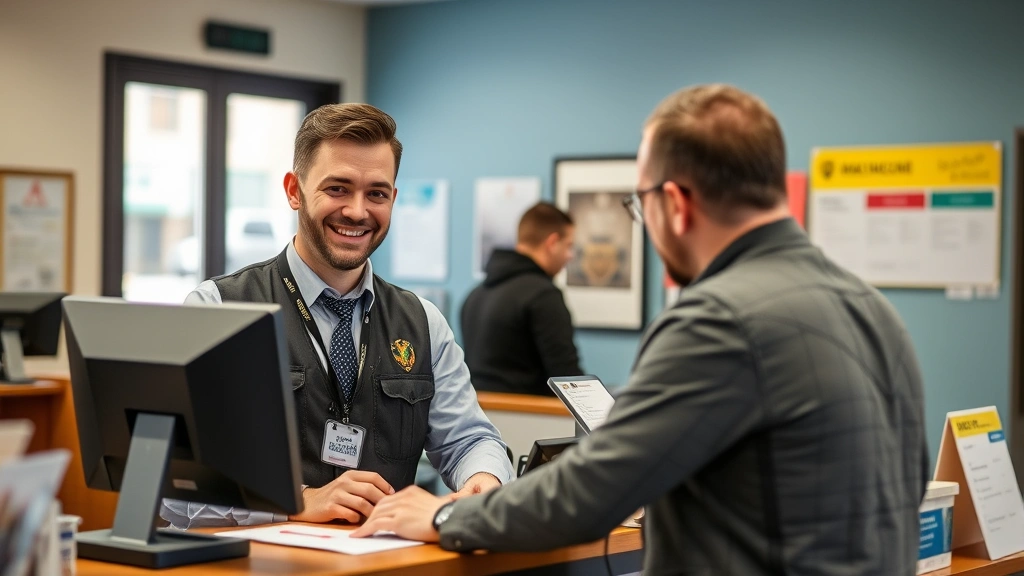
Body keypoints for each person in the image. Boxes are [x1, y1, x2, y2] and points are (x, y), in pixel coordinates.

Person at [352, 85, 929, 575]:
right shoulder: (873, 308)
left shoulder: (718, 319)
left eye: (640, 203)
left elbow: (584, 495)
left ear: (674, 204)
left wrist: (444, 515)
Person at [160, 103, 514, 529]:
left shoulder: (422, 322)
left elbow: (470, 439)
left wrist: (484, 477)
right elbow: (179, 494)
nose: (358, 211)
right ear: (294, 190)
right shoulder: (219, 309)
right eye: (338, 188)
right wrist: (293, 502)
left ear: (393, 199)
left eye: (377, 194)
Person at [461, 202, 582, 396]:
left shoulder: (474, 296)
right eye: (568, 246)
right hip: (531, 421)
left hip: (479, 419)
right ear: (552, 243)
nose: (570, 256)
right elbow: (567, 380)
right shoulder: (544, 296)